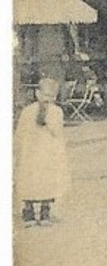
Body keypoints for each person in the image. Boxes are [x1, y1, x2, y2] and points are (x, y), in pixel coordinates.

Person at [16, 78, 69, 228]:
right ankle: (29, 211)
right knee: (30, 180)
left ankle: (45, 210)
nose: (48, 99)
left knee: (48, 180)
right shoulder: (28, 111)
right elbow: (21, 132)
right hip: (32, 152)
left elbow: (58, 132)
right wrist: (20, 149)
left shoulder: (56, 112)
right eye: (45, 95)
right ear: (37, 94)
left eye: (52, 96)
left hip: (47, 152)